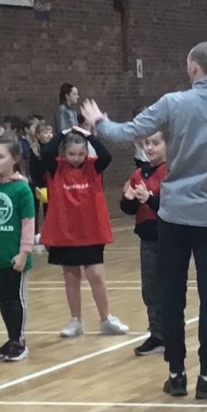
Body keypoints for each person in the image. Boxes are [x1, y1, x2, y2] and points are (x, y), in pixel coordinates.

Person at [83, 42, 207, 400]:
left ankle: (176, 374)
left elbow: (126, 132)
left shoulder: (173, 102)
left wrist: (99, 123)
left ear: (192, 67)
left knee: (172, 296)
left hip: (172, 217)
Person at [38, 122, 128, 338]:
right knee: (71, 276)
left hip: (90, 231)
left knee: (96, 275)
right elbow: (46, 151)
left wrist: (89, 136)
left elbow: (106, 155)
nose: (76, 158)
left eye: (81, 153)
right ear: (64, 153)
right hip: (65, 232)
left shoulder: (93, 166)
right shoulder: (56, 167)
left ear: (86, 152)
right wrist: (63, 133)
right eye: (71, 154)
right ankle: (75, 320)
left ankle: (106, 319)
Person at [0, 137, 38, 362]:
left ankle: (19, 341)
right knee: (2, 298)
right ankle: (10, 337)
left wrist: (24, 253)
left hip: (15, 256)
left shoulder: (22, 188)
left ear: (14, 159)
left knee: (16, 299)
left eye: (0, 156)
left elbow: (28, 223)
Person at [119, 132, 168, 356]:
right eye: (146, 143)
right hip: (147, 240)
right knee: (150, 288)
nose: (149, 148)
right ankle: (157, 334)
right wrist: (128, 198)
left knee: (169, 288)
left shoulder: (171, 172)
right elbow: (130, 209)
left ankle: (171, 333)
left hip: (169, 239)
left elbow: (171, 205)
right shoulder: (139, 174)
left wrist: (150, 199)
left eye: (155, 143)